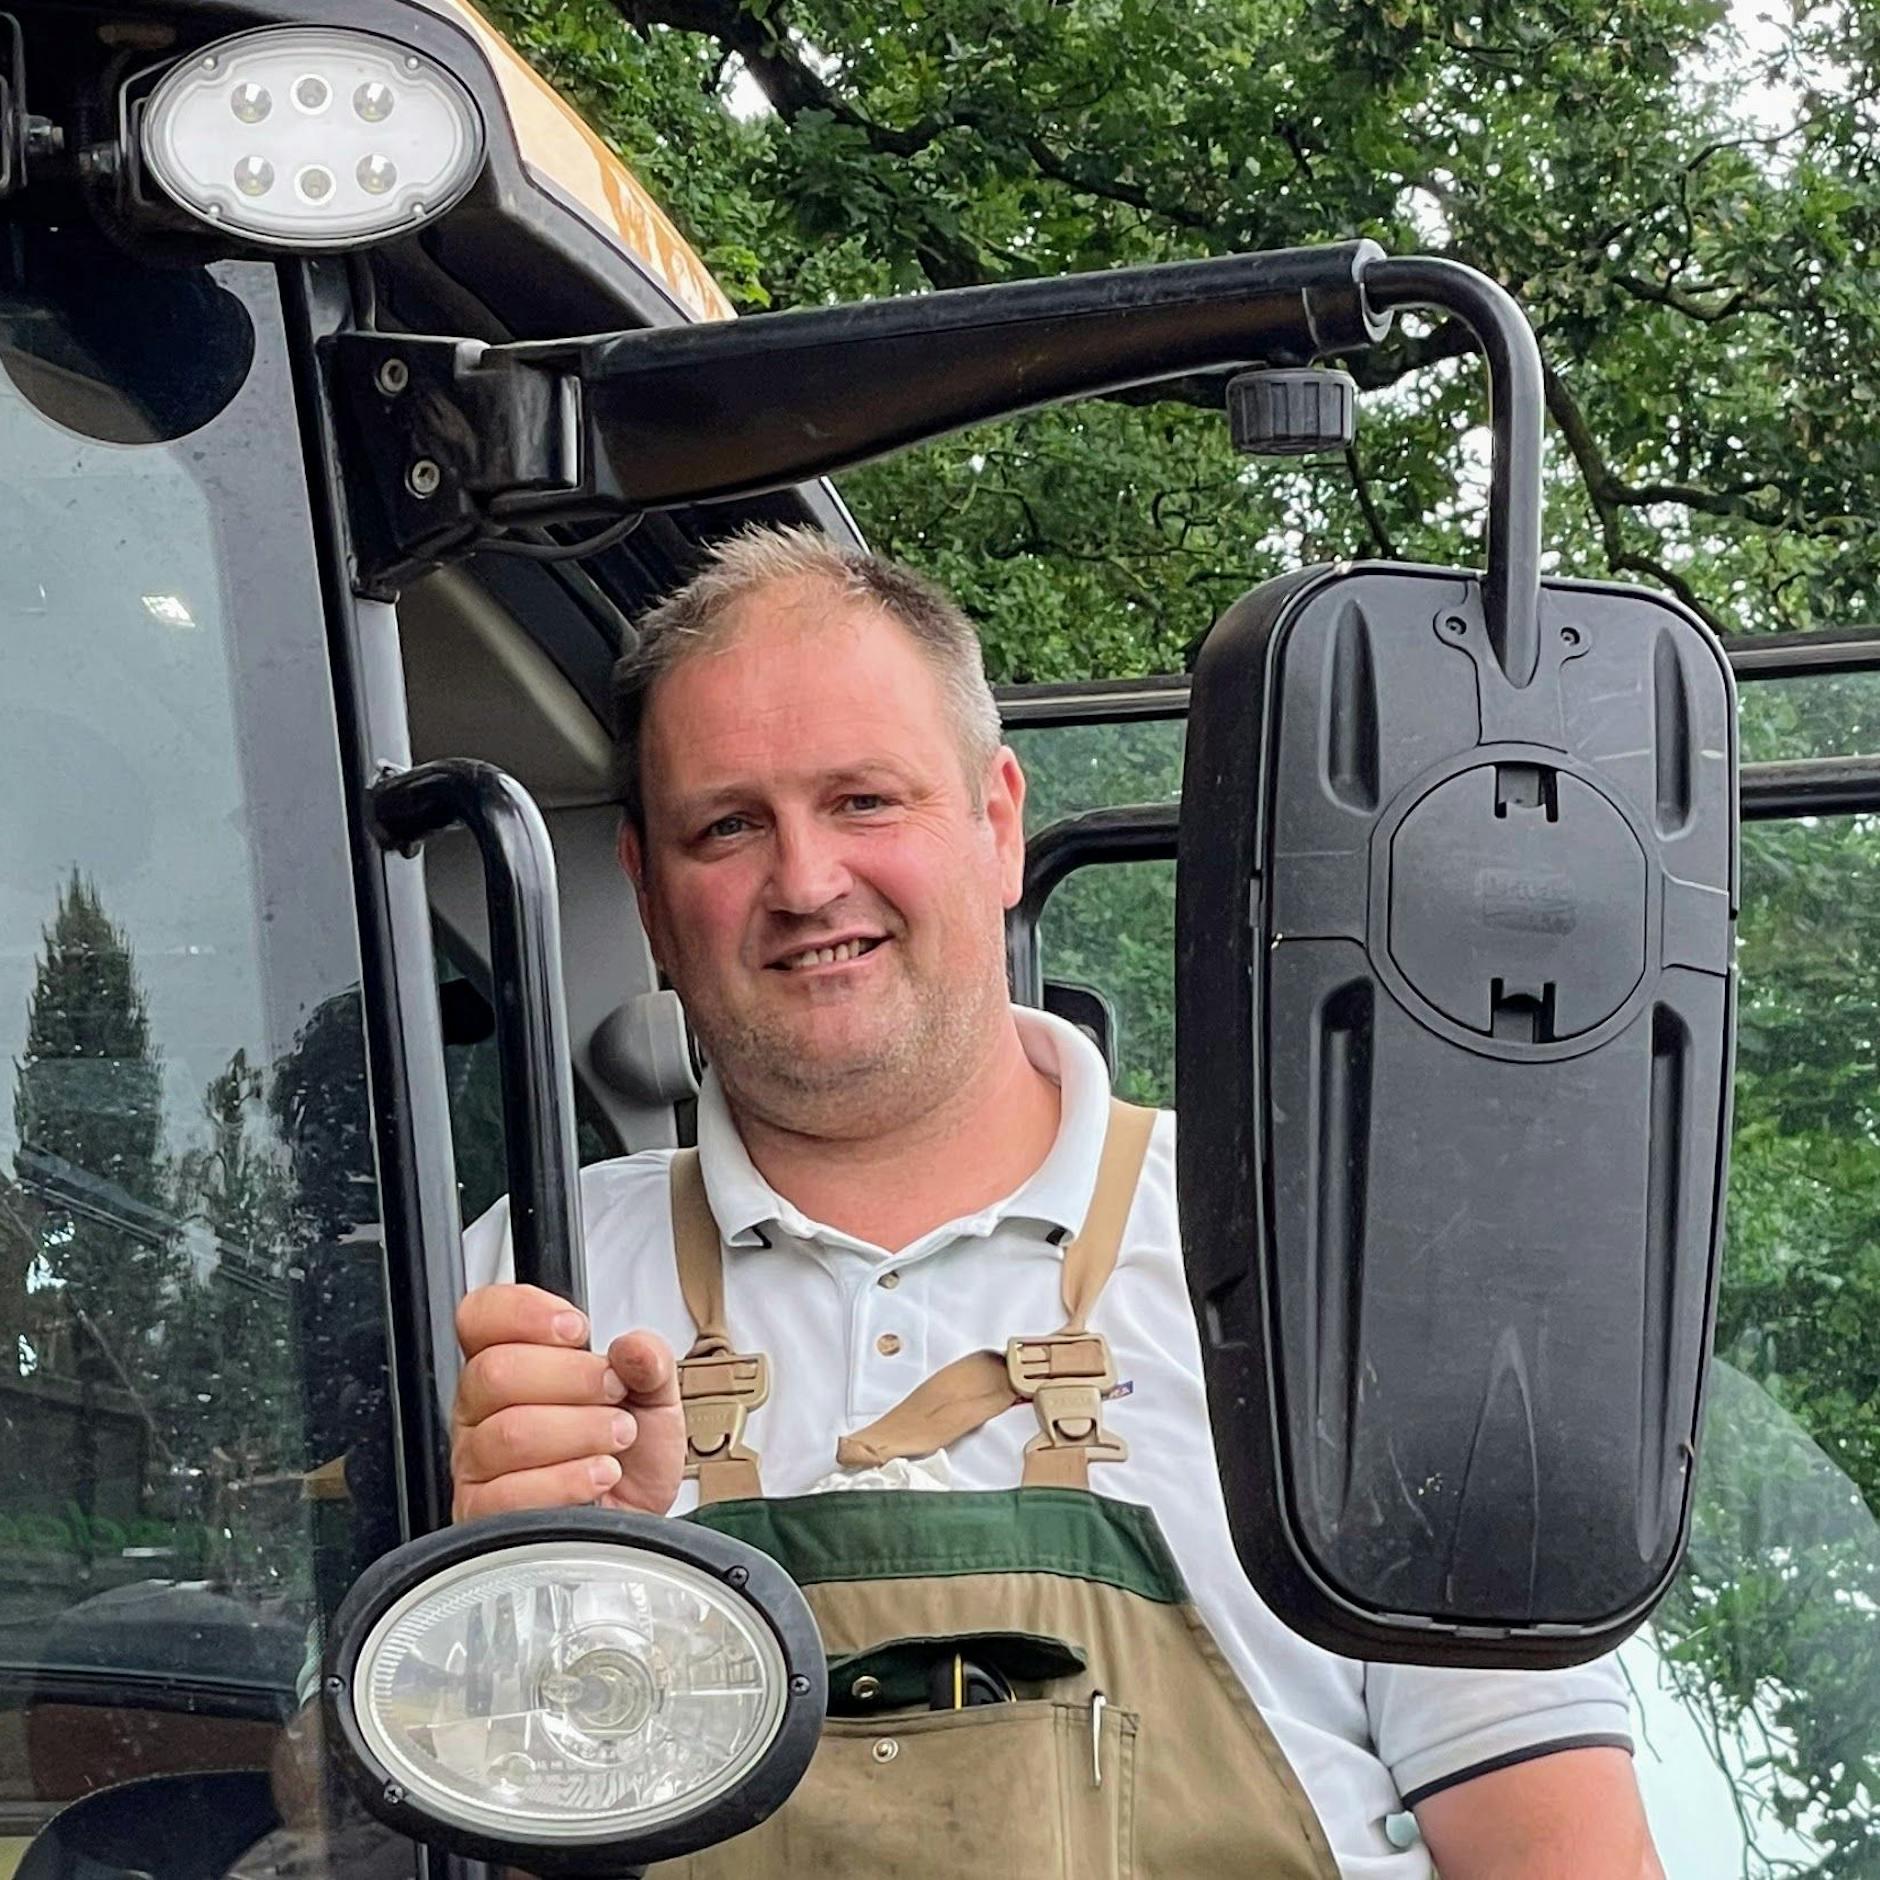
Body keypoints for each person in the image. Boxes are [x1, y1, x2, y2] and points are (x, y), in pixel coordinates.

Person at [455, 525, 1665, 1879]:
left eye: (865, 802)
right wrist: (513, 1596)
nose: (805, 884)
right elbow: (316, 1792)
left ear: (999, 822)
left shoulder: (1329, 1275)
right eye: (729, 825)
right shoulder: (530, 1290)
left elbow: (1563, 1853)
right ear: (648, 892)